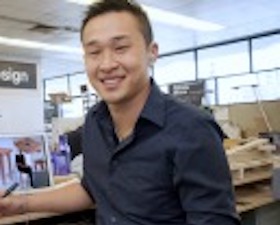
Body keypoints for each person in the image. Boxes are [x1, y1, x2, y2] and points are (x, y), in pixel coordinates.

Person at [0, 0, 240, 224]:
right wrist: (19, 203)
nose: (106, 64)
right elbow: (93, 189)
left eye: (120, 48)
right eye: (94, 52)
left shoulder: (192, 129)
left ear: (151, 52)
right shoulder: (95, 121)